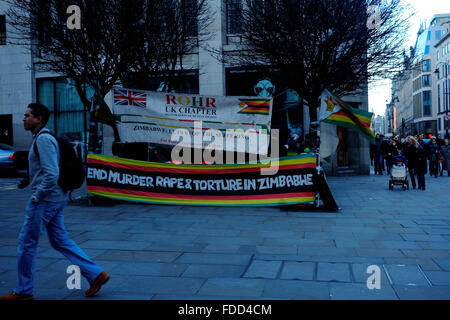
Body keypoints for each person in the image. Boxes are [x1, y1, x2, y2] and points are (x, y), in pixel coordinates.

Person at [0, 103, 109, 300]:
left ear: (39, 119)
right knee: (59, 240)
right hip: (55, 198)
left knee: (26, 244)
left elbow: (51, 173)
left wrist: (37, 196)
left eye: (27, 115)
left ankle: (24, 291)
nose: (23, 119)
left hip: (46, 200)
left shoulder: (43, 139)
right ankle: (96, 274)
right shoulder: (42, 138)